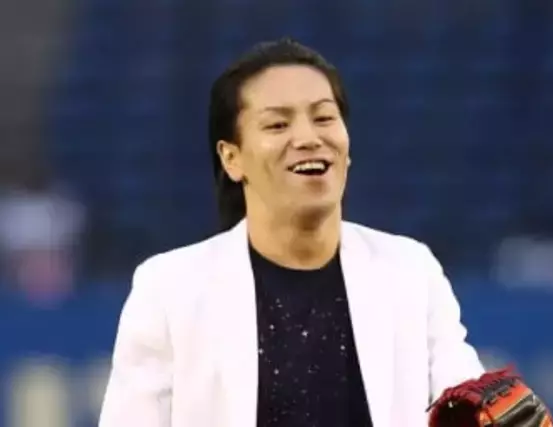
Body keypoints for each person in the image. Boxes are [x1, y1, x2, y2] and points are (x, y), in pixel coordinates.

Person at [98, 38, 485, 427]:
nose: (308, 138)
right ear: (232, 158)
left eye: (324, 118)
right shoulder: (170, 290)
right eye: (277, 124)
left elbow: (469, 404)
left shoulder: (410, 271)